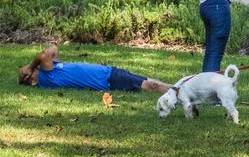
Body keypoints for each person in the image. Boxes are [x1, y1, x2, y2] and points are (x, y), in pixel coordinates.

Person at [18, 45, 171, 93]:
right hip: (109, 80)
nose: (25, 68)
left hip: (110, 73)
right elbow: (44, 54)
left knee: (149, 81)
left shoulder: (53, 69)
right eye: (23, 73)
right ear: (31, 80)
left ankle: (179, 88)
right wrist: (32, 67)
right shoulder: (47, 77)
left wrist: (32, 68)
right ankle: (180, 92)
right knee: (152, 85)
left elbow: (53, 49)